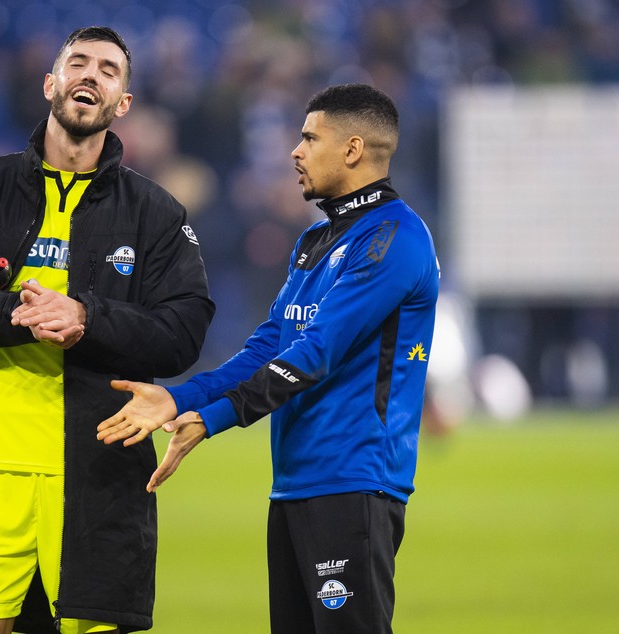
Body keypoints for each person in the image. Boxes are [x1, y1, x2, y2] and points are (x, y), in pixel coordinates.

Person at [0, 26, 214, 634]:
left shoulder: (156, 213)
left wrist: (86, 317)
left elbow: (182, 333)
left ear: (122, 104)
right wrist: (15, 315)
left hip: (96, 476)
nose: (91, 75)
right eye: (78, 63)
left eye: (108, 71)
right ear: (51, 84)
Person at [97, 83, 440, 633]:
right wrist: (176, 398)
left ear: (352, 150)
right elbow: (266, 347)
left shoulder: (394, 239)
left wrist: (212, 418)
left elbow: (315, 353)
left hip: (353, 483)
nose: (294, 152)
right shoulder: (316, 241)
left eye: (309, 138)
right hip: (296, 483)